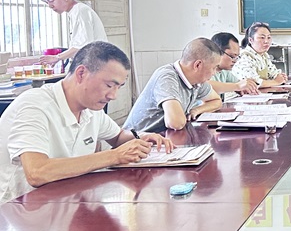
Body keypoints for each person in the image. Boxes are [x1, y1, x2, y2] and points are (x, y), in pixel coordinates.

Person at [0, 41, 172, 202]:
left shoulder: (90, 109)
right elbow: (37, 172)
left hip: (64, 201)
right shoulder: (35, 105)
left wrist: (141, 137)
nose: (113, 96)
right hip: (18, 210)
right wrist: (114, 156)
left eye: (118, 87)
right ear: (81, 73)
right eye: (109, 85)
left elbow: (118, 136)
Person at [124, 38, 222, 133]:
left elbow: (216, 101)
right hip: (136, 140)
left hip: (163, 138)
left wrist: (196, 110)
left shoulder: (196, 81)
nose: (214, 73)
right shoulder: (167, 77)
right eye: (214, 68)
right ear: (198, 65)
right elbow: (175, 123)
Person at [38, 0, 108, 69]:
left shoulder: (80, 11)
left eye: (51, 1)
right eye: (47, 2)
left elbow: (82, 45)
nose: (50, 6)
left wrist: (57, 57)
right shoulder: (74, 12)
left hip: (95, 64)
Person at [232, 22, 288, 87]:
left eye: (269, 37)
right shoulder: (244, 57)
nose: (266, 41)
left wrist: (281, 77)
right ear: (251, 40)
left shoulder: (264, 55)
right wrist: (276, 82)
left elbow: (274, 74)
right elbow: (253, 83)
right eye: (262, 37)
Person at [209, 32, 259, 101]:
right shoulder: (206, 69)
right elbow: (206, 86)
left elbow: (238, 83)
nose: (235, 61)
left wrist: (244, 87)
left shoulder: (224, 72)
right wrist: (237, 86)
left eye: (237, 57)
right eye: (232, 56)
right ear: (217, 51)